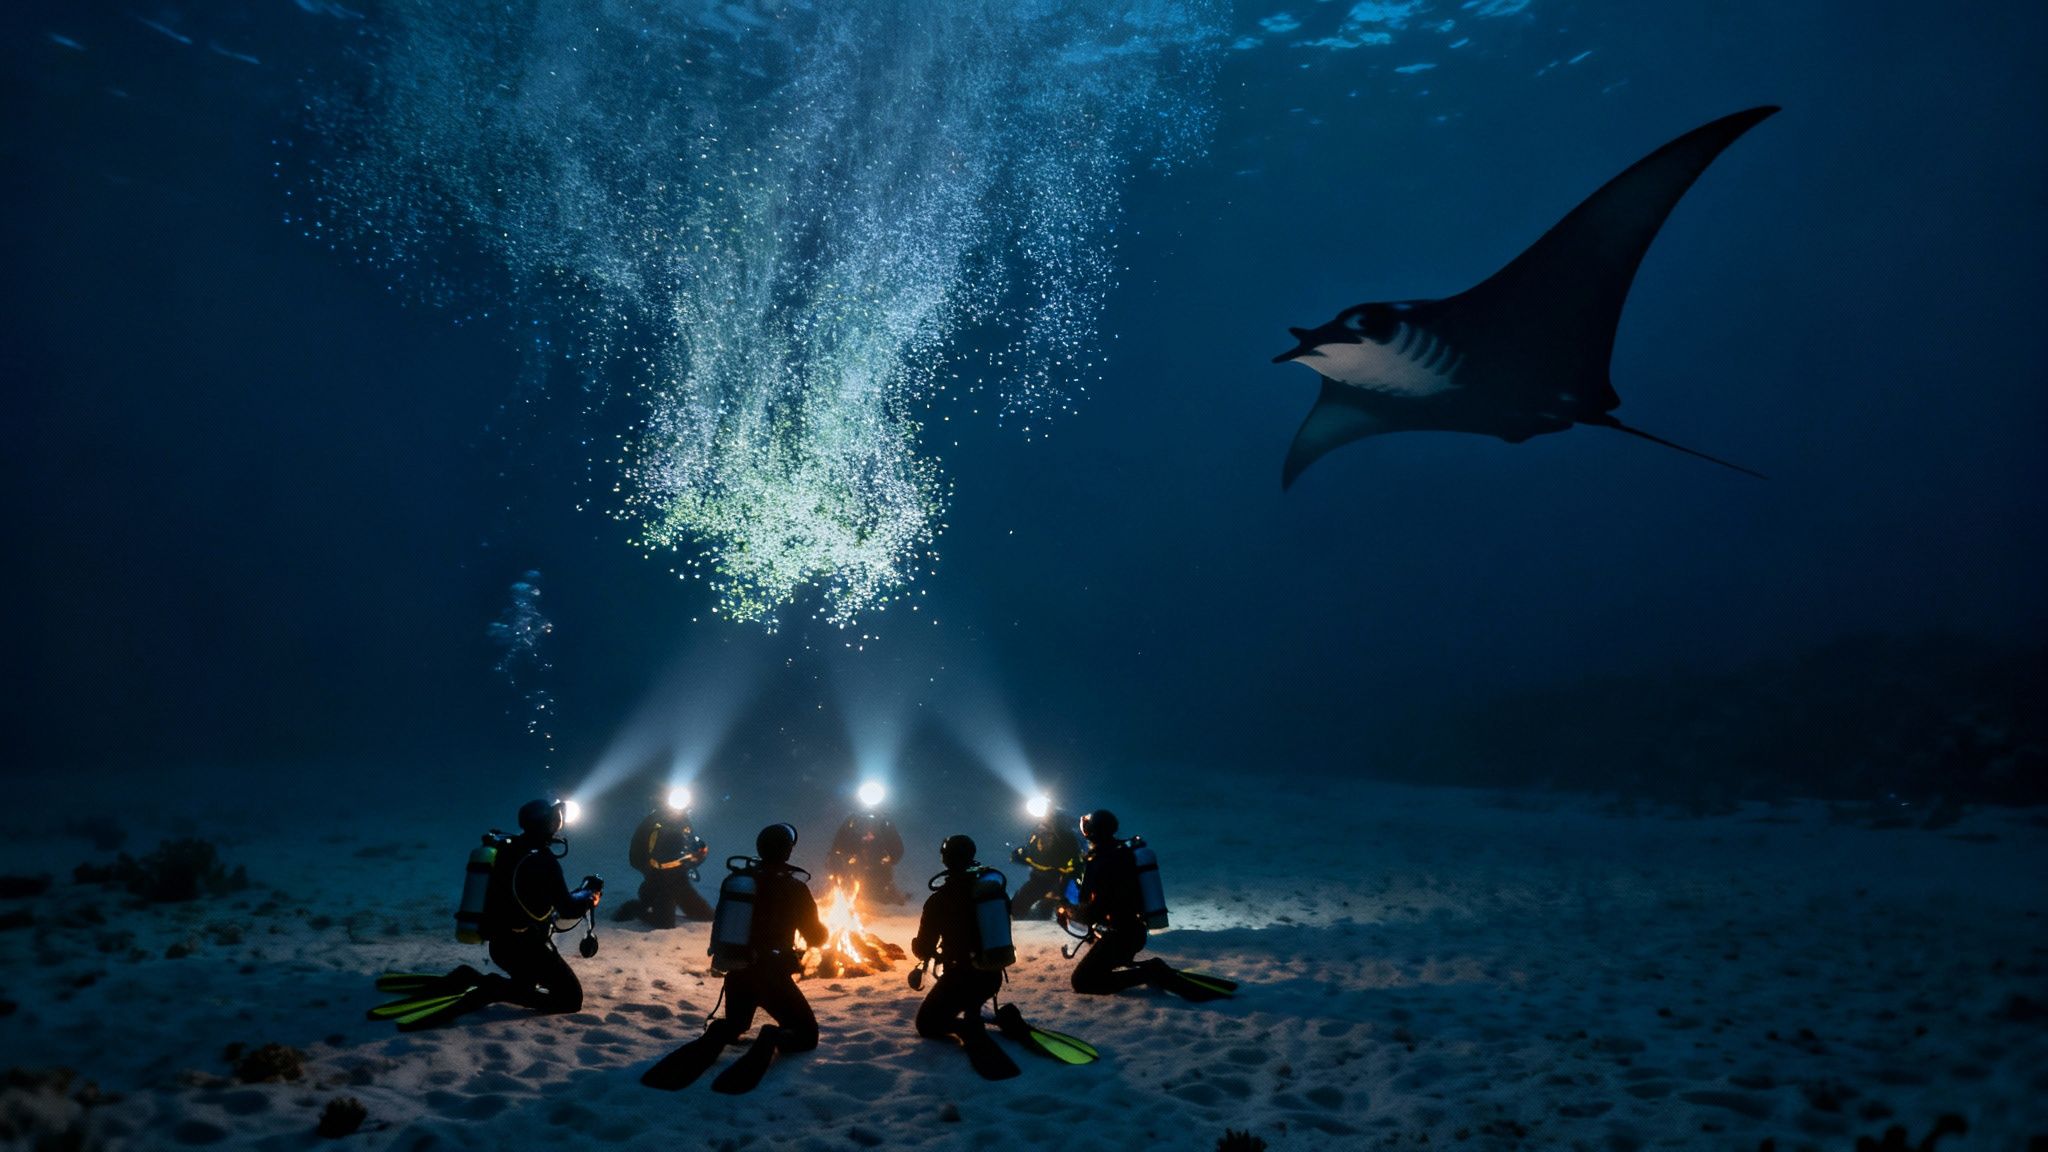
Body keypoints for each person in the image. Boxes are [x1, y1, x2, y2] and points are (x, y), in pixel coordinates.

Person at [375, 798, 602, 1029]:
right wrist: (589, 896)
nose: (560, 822)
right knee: (570, 998)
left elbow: (539, 900)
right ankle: (492, 988)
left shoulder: (509, 848)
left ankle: (470, 978)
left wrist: (580, 896)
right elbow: (566, 907)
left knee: (526, 985)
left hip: (501, 945)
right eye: (557, 818)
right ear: (549, 824)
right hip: (525, 948)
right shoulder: (543, 861)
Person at [1060, 809, 1223, 1002]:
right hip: (1130, 931)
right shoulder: (1119, 853)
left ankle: (1151, 972)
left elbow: (1098, 909)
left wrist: (1069, 911)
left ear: (1093, 832)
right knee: (1101, 965)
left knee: (1083, 981)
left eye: (1087, 827)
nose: (1084, 831)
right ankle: (1150, 969)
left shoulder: (1104, 861)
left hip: (1122, 935)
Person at [707, 822, 829, 1052]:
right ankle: (771, 1037)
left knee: (736, 1025)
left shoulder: (739, 881)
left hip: (737, 973)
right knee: (806, 1035)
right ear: (787, 851)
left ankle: (721, 1031)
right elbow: (815, 936)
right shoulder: (794, 888)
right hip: (771, 977)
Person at [912, 835, 1006, 1041]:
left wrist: (916, 946)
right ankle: (995, 1016)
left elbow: (924, 948)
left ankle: (968, 1026)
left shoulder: (939, 900)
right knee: (970, 995)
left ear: (945, 859)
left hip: (960, 979)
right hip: (992, 977)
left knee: (926, 1024)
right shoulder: (990, 889)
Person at [612, 791, 712, 928]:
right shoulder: (653, 822)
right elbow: (637, 848)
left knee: (704, 915)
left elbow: (689, 843)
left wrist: (698, 853)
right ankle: (635, 908)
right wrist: (648, 870)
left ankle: (647, 899)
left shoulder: (683, 821)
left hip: (678, 877)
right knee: (664, 922)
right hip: (659, 877)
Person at [828, 785, 906, 904]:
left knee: (884, 897)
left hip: (880, 873)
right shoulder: (852, 821)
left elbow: (897, 848)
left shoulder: (885, 823)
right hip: (853, 873)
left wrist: (889, 858)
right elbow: (837, 845)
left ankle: (886, 895)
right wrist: (837, 860)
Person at [1009, 805, 1081, 920]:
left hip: (1061, 880)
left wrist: (1025, 857)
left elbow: (1064, 860)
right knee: (1018, 905)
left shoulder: (1067, 837)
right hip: (1040, 878)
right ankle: (1035, 914)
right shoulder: (1038, 833)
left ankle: (1051, 913)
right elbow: (1033, 852)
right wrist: (1022, 854)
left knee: (1063, 907)